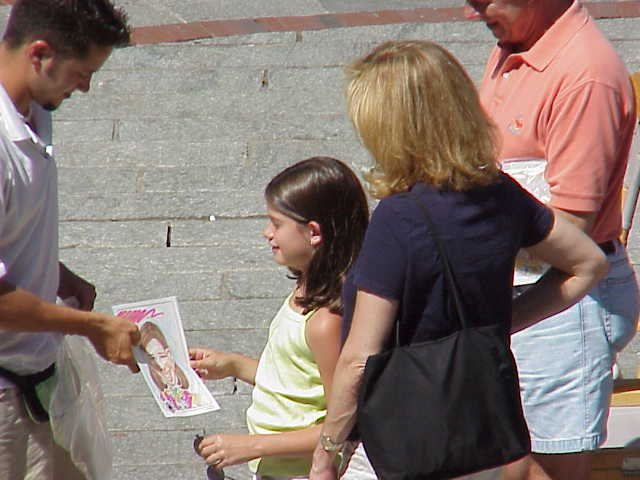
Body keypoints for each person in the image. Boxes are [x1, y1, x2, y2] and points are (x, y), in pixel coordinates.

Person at [308, 40, 610, 480]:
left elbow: (359, 357)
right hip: (476, 434)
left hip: (402, 437)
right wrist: (500, 323)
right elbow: (588, 264)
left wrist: (327, 451)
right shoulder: (500, 192)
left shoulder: (398, 218)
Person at [466, 0, 640, 478]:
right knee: (507, 462)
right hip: (522, 286)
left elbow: (573, 231)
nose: (471, 12)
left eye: (483, 1)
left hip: (566, 303)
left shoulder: (585, 76)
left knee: (545, 471)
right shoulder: (515, 43)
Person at [0, 1, 140, 478]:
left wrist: (55, 274)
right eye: (82, 72)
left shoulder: (35, 109)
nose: (85, 86)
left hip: (36, 376)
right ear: (40, 53)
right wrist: (90, 325)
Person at [189, 156, 370, 479]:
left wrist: (252, 446)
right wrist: (233, 365)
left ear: (314, 233)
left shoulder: (325, 321)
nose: (266, 233)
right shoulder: (306, 288)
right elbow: (294, 386)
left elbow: (340, 426)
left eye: (276, 223)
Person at [139, 321, 193, 411]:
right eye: (152, 358)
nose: (159, 364)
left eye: (162, 356)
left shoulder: (189, 378)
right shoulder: (156, 385)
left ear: (169, 353)